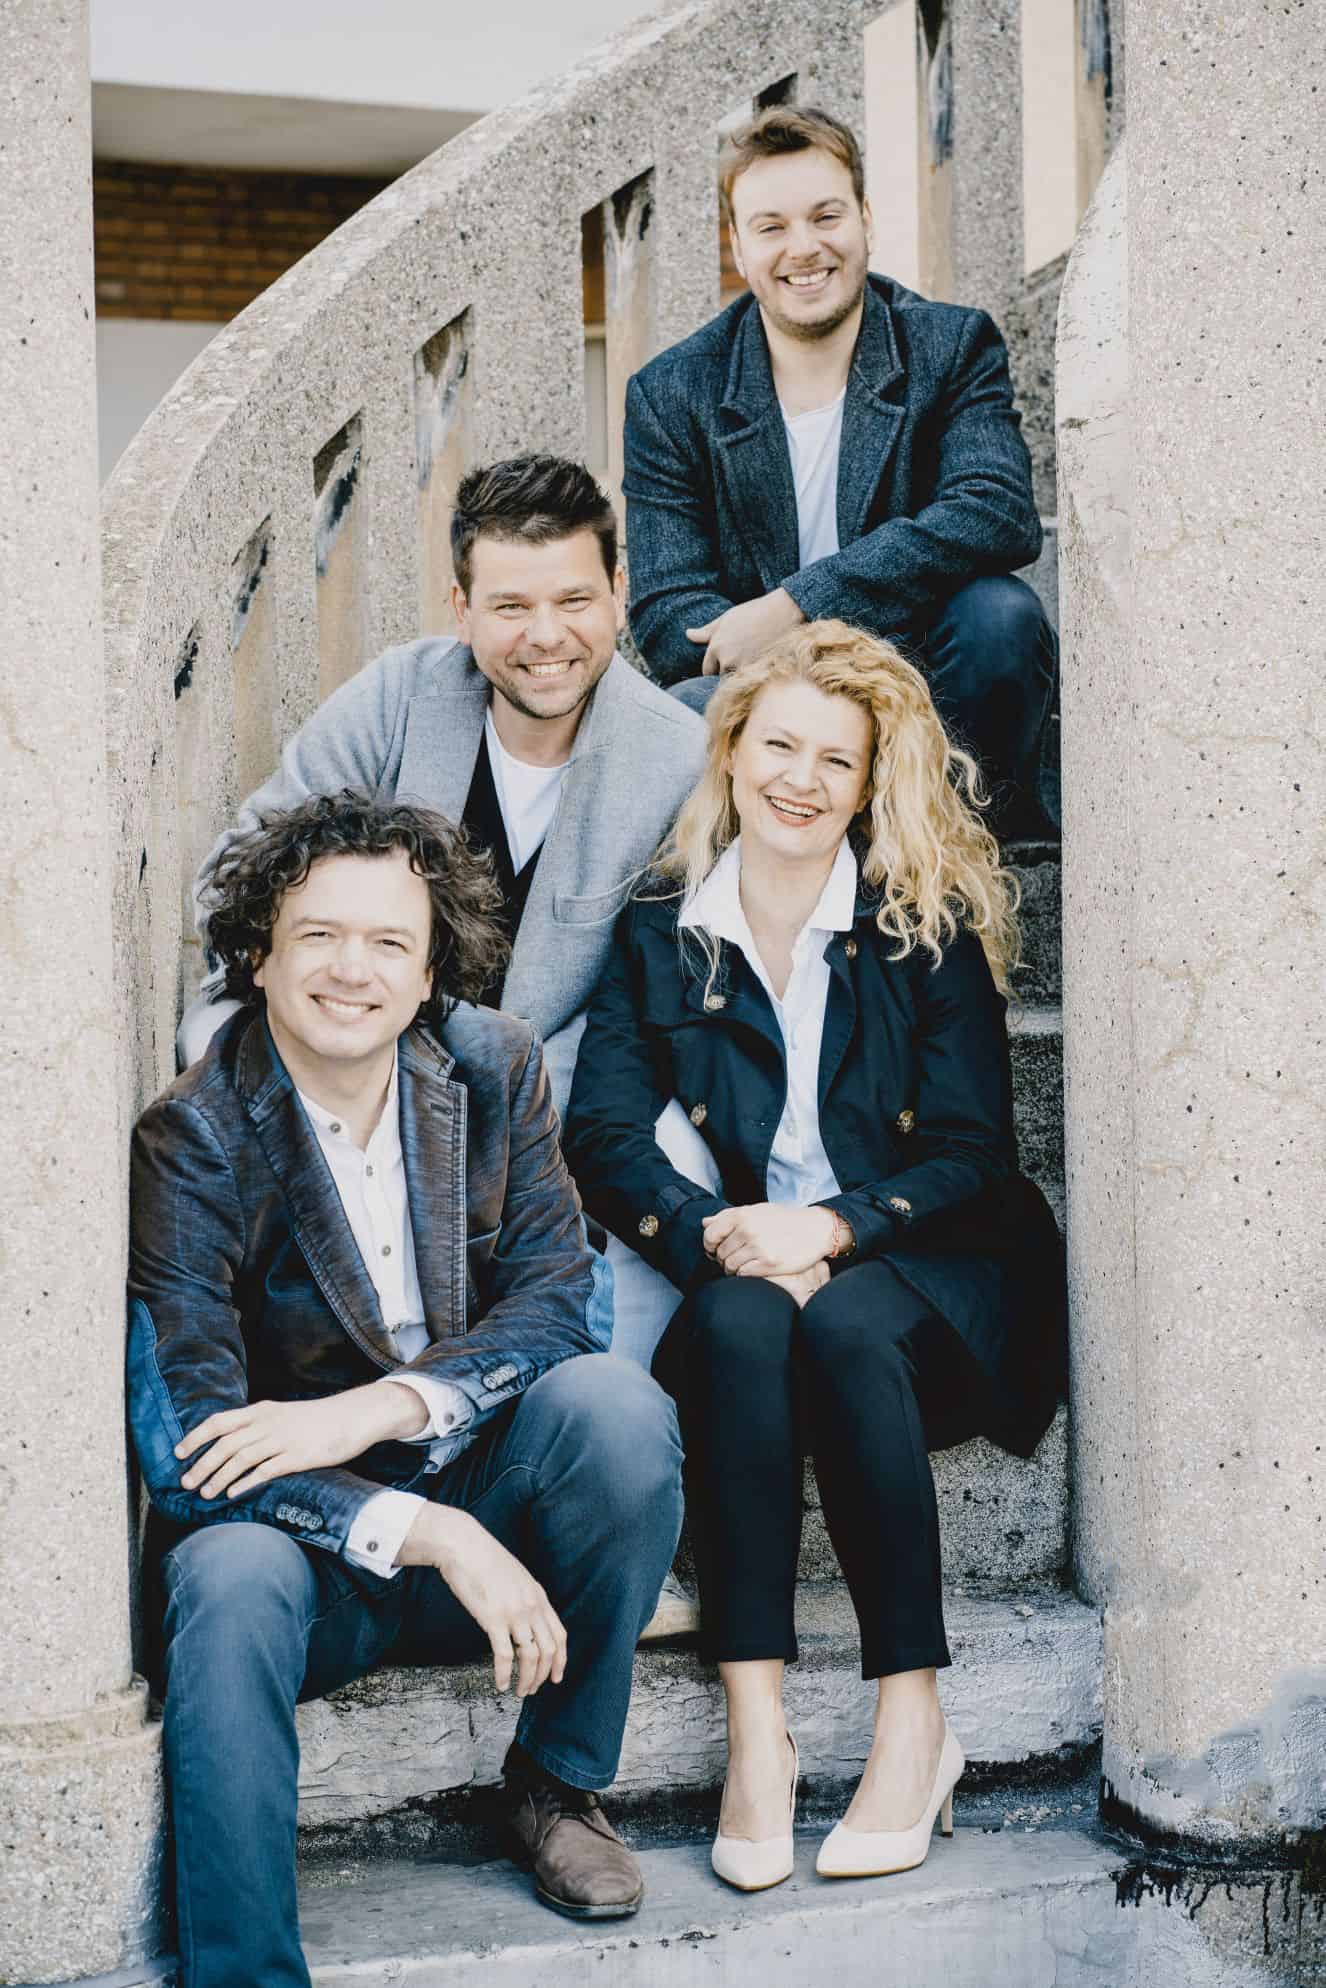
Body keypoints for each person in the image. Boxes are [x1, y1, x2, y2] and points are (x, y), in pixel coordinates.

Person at [128, 794, 684, 1988]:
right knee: (223, 1575)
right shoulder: (195, 1134)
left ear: (432, 969)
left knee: (617, 1412)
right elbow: (187, 1445)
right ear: (258, 952)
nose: (352, 969)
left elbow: (558, 1303)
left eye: (389, 941)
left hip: (476, 1498)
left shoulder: (492, 1064)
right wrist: (429, 1529)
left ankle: (558, 1784)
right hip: (306, 1550)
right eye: (318, 934)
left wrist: (383, 1407)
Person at [563, 621, 1065, 1892]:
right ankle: (757, 1730)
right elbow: (604, 1134)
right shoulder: (662, 928)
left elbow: (973, 1154)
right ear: (731, 752)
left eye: (834, 760)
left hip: (927, 1278)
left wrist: (830, 1228)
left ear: (867, 783)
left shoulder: (922, 928)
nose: (800, 778)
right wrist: (719, 1233)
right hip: (750, 1275)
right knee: (739, 1319)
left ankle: (914, 1722)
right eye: (778, 745)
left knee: (836, 1318)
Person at [622, 105, 1057, 832]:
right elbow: (669, 615)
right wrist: (803, 684)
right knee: (681, 715)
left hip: (927, 680)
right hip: (769, 703)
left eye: (826, 217)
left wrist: (797, 607)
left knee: (1000, 616)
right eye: (771, 227)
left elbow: (996, 510)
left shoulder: (950, 346)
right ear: (738, 246)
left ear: (865, 221)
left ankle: (971, 848)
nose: (804, 248)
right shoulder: (672, 393)